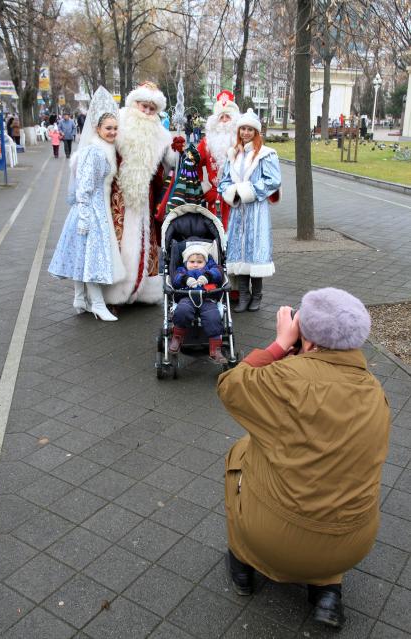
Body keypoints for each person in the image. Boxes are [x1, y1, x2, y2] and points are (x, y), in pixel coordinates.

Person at [218, 288, 390, 629]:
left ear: (306, 342)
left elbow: (230, 385)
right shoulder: (375, 391)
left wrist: (280, 345)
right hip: (355, 544)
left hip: (273, 540)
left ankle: (242, 564)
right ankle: (328, 590)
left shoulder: (282, 379)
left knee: (241, 452)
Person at [48, 87, 126, 321]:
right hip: (91, 210)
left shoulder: (103, 149)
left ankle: (80, 299)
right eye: (108, 128)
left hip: (95, 208)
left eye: (115, 128)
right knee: (93, 257)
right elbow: (84, 188)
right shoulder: (94, 152)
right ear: (97, 129)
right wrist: (84, 216)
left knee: (83, 254)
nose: (112, 132)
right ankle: (98, 304)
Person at [103, 81, 183, 307]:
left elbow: (171, 164)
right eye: (143, 106)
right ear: (133, 103)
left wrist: (178, 150)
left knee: (145, 242)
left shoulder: (161, 134)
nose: (147, 112)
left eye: (152, 108)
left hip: (146, 198)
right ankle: (114, 294)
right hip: (118, 196)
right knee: (118, 242)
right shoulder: (118, 123)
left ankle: (143, 291)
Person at [218, 108, 281, 312]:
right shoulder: (234, 154)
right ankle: (243, 296)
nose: (245, 132)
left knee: (256, 252)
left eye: (250, 129)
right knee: (240, 252)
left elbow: (273, 181)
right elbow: (224, 181)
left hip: (256, 211)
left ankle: (257, 295)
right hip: (238, 212)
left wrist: (247, 191)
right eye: (242, 129)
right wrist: (232, 192)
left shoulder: (266, 154)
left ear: (256, 132)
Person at [169, 244, 227, 364]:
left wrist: (208, 276)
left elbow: (219, 272)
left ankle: (215, 349)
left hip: (207, 299)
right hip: (186, 297)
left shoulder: (210, 269)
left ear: (205, 262)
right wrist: (185, 279)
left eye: (199, 262)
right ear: (186, 262)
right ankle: (177, 337)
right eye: (192, 261)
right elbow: (175, 279)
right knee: (182, 311)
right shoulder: (182, 270)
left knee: (213, 317)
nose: (195, 264)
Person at [197, 90, 239, 231]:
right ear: (215, 121)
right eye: (221, 117)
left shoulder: (241, 142)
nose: (225, 120)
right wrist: (204, 187)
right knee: (216, 236)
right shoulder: (206, 142)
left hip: (237, 199)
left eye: (228, 116)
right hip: (215, 200)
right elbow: (194, 163)